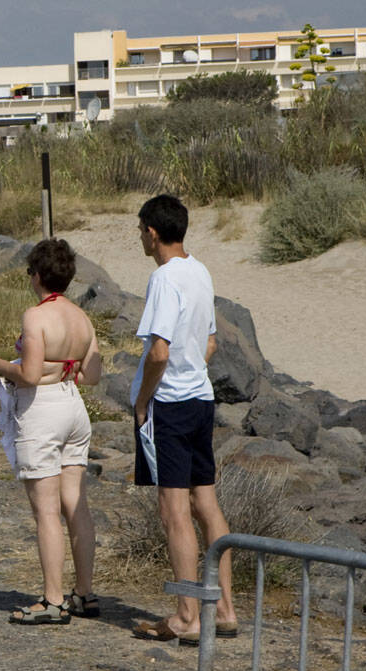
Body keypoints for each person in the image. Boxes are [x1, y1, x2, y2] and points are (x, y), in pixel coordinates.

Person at [128, 194, 237, 646]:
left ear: (152, 233)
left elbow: (159, 351)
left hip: (170, 405)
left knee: (174, 510)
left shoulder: (164, 278)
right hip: (200, 398)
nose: (140, 238)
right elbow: (209, 342)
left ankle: (188, 614)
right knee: (205, 502)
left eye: (141, 230)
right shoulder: (200, 271)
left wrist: (143, 402)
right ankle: (224, 609)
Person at [0, 239, 102, 625]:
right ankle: (83, 592)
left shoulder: (36, 316)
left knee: (46, 510)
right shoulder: (82, 318)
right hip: (73, 406)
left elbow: (30, 374)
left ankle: (52, 600)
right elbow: (92, 375)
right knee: (76, 504)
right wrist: (60, 368)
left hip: (42, 411)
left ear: (36, 276)